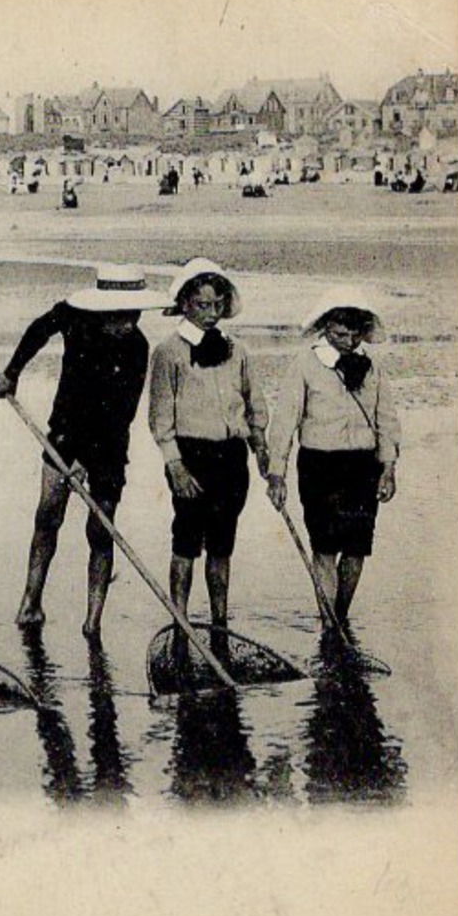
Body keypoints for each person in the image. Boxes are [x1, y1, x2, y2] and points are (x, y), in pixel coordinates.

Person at [0, 265, 160, 636]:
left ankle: (92, 621)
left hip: (109, 445)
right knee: (47, 515)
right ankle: (31, 602)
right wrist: (12, 372)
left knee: (101, 530)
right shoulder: (74, 317)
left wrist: (87, 460)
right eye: (121, 316)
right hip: (65, 433)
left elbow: (123, 411)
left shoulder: (137, 347)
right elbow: (38, 330)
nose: (129, 324)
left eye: (135, 315)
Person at [148, 258, 270, 637]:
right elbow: (160, 419)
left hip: (232, 457)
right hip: (191, 456)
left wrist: (261, 445)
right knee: (185, 540)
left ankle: (220, 622)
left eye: (217, 305)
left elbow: (255, 402)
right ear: (185, 304)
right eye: (202, 305)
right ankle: (180, 619)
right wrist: (175, 467)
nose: (211, 313)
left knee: (222, 542)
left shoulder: (239, 350)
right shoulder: (168, 353)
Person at [265, 287, 400, 623]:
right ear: (325, 327)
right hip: (319, 466)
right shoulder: (305, 364)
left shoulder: (372, 367)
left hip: (363, 466)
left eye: (356, 333)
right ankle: (329, 623)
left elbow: (387, 420)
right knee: (324, 549)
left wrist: (388, 468)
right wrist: (276, 474)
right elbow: (284, 421)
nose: (349, 341)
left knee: (357, 548)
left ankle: (340, 616)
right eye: (341, 333)